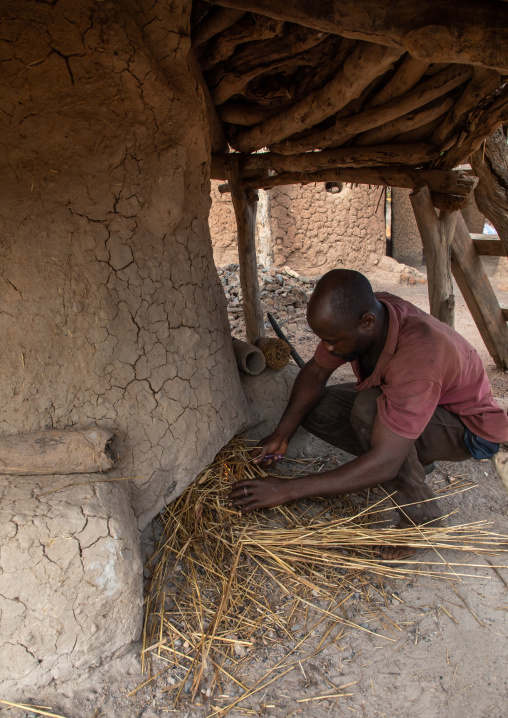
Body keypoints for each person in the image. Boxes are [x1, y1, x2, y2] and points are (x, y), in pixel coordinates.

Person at [228, 269, 508, 559]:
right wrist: (282, 434)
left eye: (333, 341)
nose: (327, 348)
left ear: (366, 323)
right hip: (423, 405)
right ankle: (411, 460)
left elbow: (385, 462)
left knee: (369, 410)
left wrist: (287, 489)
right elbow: (314, 375)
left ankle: (421, 522)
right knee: (318, 408)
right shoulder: (367, 317)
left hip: (467, 428)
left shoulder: (417, 359)